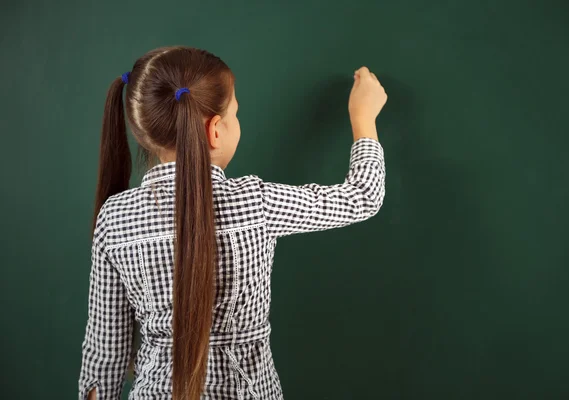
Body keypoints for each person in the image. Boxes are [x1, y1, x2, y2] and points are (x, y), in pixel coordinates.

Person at [78, 45, 387, 400]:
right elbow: (363, 196)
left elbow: (105, 352)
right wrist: (363, 118)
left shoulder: (114, 219)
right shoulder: (254, 202)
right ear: (214, 130)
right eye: (235, 113)